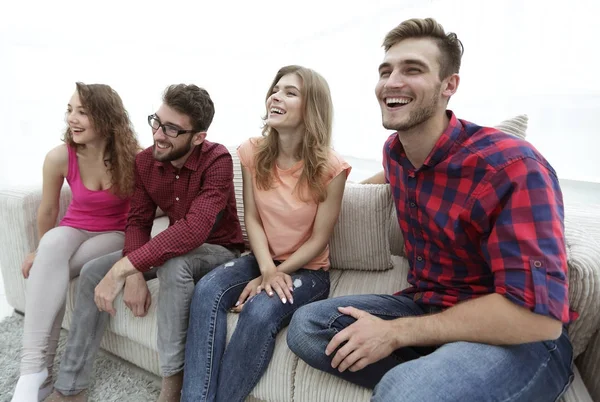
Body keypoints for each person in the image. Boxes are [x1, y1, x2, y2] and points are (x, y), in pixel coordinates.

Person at [286, 18, 575, 402]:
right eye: (385, 70)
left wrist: (394, 334)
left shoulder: (512, 167)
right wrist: (336, 191)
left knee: (403, 390)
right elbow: (385, 176)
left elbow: (538, 318)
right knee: (308, 326)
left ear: (449, 86)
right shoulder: (396, 151)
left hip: (520, 338)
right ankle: (442, 374)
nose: (391, 81)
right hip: (429, 305)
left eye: (413, 70)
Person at [46, 84, 244, 402]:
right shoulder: (145, 163)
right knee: (96, 270)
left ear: (198, 137)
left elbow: (194, 230)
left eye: (171, 129)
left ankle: (171, 389)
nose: (158, 134)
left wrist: (125, 267)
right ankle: (71, 388)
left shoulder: (217, 160)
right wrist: (134, 272)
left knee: (174, 262)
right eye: (156, 121)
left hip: (218, 252)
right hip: (171, 248)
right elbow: (138, 222)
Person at [180, 65, 351, 402]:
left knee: (259, 312)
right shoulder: (251, 151)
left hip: (308, 271)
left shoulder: (332, 168)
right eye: (276, 88)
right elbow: (253, 219)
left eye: (290, 92)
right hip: (262, 259)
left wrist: (274, 275)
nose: (276, 95)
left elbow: (319, 239)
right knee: (207, 289)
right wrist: (266, 270)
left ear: (311, 108)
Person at [11, 83, 140, 402]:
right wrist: (40, 251)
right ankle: (33, 372)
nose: (72, 118)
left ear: (106, 118)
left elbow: (144, 211)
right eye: (70, 110)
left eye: (83, 112)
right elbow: (50, 209)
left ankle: (35, 376)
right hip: (75, 231)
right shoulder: (59, 156)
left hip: (114, 235)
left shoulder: (134, 157)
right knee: (52, 244)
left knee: (48, 271)